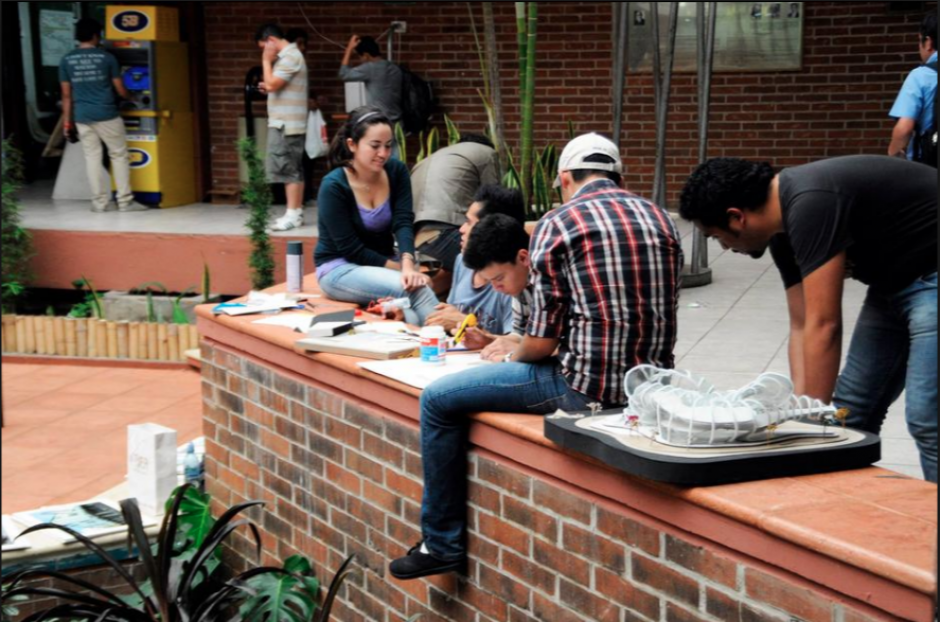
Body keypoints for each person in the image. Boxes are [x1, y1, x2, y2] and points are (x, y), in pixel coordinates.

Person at [389, 134, 684, 580]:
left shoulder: (557, 223)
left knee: (437, 400)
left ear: (564, 179)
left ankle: (441, 543)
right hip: (651, 386)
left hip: (585, 389)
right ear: (618, 177)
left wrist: (511, 353)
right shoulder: (661, 218)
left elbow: (540, 344)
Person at [679, 156, 938, 483]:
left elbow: (824, 325)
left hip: (931, 275)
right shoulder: (782, 232)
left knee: (928, 419)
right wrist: (802, 416)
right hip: (894, 282)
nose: (725, 248)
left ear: (736, 217)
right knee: (850, 412)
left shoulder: (811, 203)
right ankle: (829, 502)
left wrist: (808, 435)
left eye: (717, 236)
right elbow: (801, 325)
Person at [314, 106, 438, 326]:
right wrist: (403, 271)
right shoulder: (333, 186)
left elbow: (403, 222)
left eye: (388, 145)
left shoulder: (396, 171)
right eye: (375, 146)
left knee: (409, 311)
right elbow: (351, 249)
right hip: (340, 269)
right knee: (415, 288)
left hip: (385, 262)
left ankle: (430, 341)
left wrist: (408, 264)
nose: (383, 153)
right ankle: (445, 339)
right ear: (352, 145)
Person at [59, 18, 146, 213]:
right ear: (95, 35)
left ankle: (99, 203)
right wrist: (133, 97)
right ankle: (125, 201)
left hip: (82, 116)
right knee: (118, 155)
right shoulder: (107, 58)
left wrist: (67, 124)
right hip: (107, 114)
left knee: (92, 158)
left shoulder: (66, 60)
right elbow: (120, 89)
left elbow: (66, 95)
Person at [424, 185, 525, 335]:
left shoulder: (514, 278)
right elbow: (451, 317)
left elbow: (513, 342)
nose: (461, 229)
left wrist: (466, 323)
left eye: (470, 222)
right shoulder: (462, 261)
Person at [411, 134, 501, 297]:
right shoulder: (487, 152)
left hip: (417, 241)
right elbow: (493, 203)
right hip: (446, 232)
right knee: (504, 260)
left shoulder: (427, 160)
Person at [256, 23, 309, 232]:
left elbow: (271, 84)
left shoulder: (290, 57)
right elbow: (274, 85)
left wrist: (265, 61)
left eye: (263, 47)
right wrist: (269, 85)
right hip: (288, 122)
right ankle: (295, 212)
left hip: (286, 124)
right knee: (293, 168)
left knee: (288, 170)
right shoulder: (290, 56)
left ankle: (292, 214)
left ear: (271, 40)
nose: (264, 51)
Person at [460, 214, 534, 363]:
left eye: (499, 279)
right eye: (490, 281)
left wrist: (516, 353)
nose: (496, 288)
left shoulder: (550, 281)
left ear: (523, 258)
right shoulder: (520, 282)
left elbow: (562, 346)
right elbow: (520, 333)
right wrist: (488, 340)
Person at [889, 13, 938, 163]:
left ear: (928, 42)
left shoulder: (921, 76)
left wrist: (892, 162)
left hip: (928, 168)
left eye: (919, 40)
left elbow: (904, 129)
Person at [340, 35, 403, 128]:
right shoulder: (395, 68)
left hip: (379, 122)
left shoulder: (370, 68)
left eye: (360, 57)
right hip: (398, 122)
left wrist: (349, 48)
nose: (360, 60)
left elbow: (343, 73)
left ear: (366, 55)